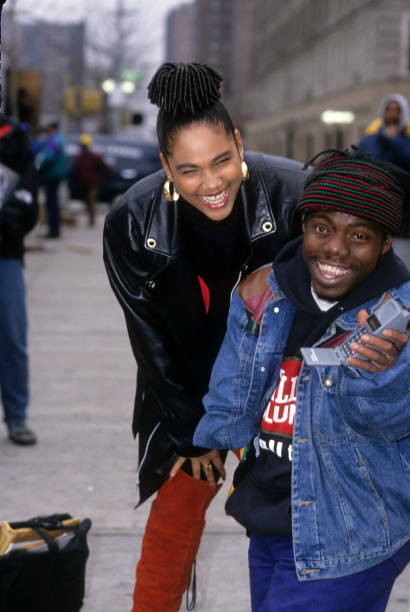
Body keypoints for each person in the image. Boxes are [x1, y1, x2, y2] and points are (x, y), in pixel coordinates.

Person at [103, 62, 309, 612]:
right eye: (189, 169)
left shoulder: (294, 196)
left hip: (281, 378)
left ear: (240, 143)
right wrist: (196, 435)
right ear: (166, 165)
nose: (212, 183)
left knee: (294, 519)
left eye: (222, 160)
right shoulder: (131, 224)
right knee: (176, 511)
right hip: (188, 384)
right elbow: (150, 343)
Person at [194, 150, 410, 612]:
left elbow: (394, 425)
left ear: (386, 243)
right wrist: (213, 438)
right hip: (271, 513)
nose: (335, 249)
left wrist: (383, 376)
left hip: (352, 526)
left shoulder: (399, 320)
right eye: (323, 229)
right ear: (304, 226)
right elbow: (235, 376)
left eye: (359, 237)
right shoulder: (265, 291)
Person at [0, 115, 39, 445]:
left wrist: (7, 219)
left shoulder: (14, 140)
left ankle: (17, 416)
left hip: (5, 254)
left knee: (12, 337)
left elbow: (28, 203)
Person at [358, 93, 410, 172]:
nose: (392, 114)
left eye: (397, 110)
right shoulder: (367, 141)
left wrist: (395, 140)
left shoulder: (407, 142)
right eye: (388, 109)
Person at [71, 134, 113, 227]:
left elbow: (104, 167)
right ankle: (90, 218)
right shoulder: (79, 158)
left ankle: (92, 220)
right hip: (83, 184)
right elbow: (75, 171)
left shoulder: (95, 157)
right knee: (87, 202)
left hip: (93, 184)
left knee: (92, 201)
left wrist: (110, 176)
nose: (84, 147)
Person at [36, 121, 68, 238]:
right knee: (53, 202)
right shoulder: (58, 139)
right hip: (55, 174)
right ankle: (54, 229)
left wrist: (37, 165)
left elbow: (48, 157)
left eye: (48, 128)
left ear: (52, 128)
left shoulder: (54, 140)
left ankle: (53, 231)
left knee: (51, 203)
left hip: (52, 175)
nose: (46, 131)